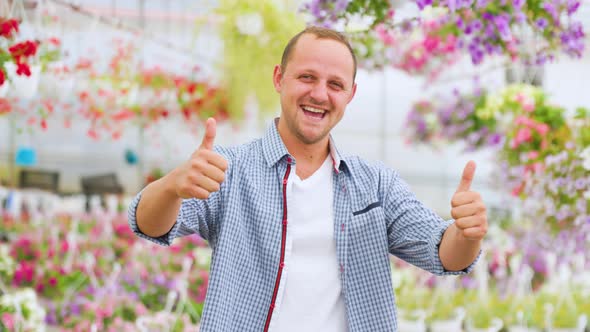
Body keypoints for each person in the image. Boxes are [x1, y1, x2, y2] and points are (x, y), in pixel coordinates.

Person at [128, 26, 487, 332]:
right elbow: (150, 224)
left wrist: (465, 233)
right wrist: (172, 186)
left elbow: (445, 255)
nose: (319, 94)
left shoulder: (376, 185)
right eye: (307, 77)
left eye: (335, 84)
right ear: (279, 79)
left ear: (350, 94)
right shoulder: (229, 169)